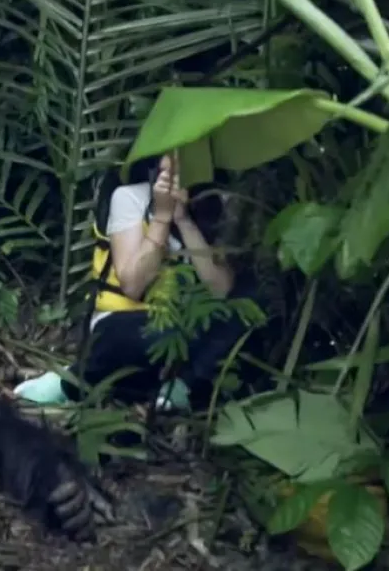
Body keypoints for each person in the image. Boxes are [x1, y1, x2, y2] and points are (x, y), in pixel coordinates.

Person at [15, 153, 261, 411]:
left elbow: (221, 291)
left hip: (189, 324)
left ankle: (182, 387)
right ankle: (69, 382)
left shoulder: (215, 204)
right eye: (170, 157)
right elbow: (133, 285)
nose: (177, 165)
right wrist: (162, 217)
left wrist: (184, 220)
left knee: (248, 304)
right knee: (150, 336)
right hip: (126, 323)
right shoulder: (130, 198)